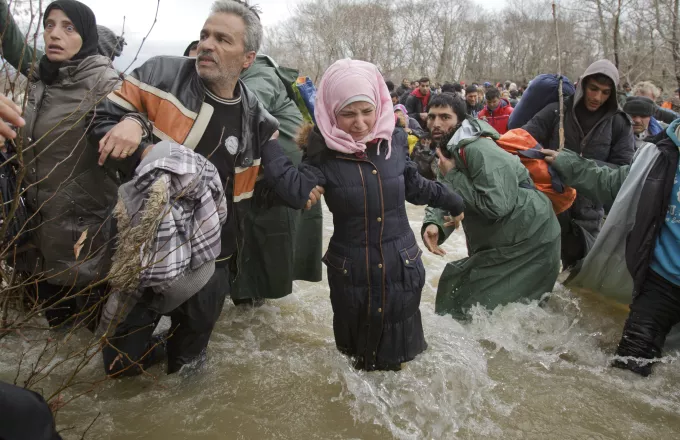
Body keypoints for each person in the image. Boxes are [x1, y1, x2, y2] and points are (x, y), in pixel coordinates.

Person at [89, 0, 323, 376]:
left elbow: (288, 185)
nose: (207, 45)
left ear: (247, 59)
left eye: (222, 39)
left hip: (211, 263)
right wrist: (134, 125)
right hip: (143, 251)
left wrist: (325, 160)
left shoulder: (260, 121)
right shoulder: (158, 74)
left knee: (186, 369)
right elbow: (100, 125)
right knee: (119, 368)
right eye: (204, 36)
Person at [299, 59, 464, 371]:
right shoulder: (319, 151)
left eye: (367, 111)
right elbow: (295, 193)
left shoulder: (395, 140)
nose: (360, 122)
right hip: (352, 274)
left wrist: (454, 201)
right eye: (348, 113)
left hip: (400, 267)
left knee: (398, 367)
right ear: (331, 111)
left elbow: (415, 186)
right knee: (356, 370)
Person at [0, 0, 124, 329]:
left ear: (86, 36)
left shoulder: (106, 84)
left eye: (68, 27)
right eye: (50, 25)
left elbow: (139, 125)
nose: (55, 34)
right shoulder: (44, 77)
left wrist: (136, 125)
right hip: (39, 232)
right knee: (56, 334)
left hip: (83, 239)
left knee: (91, 336)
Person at [540, 119, 680, 376]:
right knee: (628, 371)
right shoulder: (660, 152)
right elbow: (616, 182)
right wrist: (568, 164)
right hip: (659, 283)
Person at [422, 93, 560, 320]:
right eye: (432, 117)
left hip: (530, 238)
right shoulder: (448, 151)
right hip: (510, 236)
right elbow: (447, 195)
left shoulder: (476, 147)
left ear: (460, 120)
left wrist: (453, 175)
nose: (436, 124)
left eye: (445, 117)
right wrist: (434, 223)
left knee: (475, 307)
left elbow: (497, 205)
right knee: (468, 303)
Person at [523, 59, 635, 268]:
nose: (597, 97)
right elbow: (523, 140)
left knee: (577, 282)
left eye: (605, 92)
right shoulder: (556, 111)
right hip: (547, 210)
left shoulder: (619, 124)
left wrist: (575, 164)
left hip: (588, 217)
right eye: (593, 89)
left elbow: (623, 173)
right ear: (582, 85)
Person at [237, 53, 323, 304]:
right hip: (288, 179)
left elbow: (244, 109)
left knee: (256, 268)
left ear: (246, 56)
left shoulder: (259, 76)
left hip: (279, 182)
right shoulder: (263, 72)